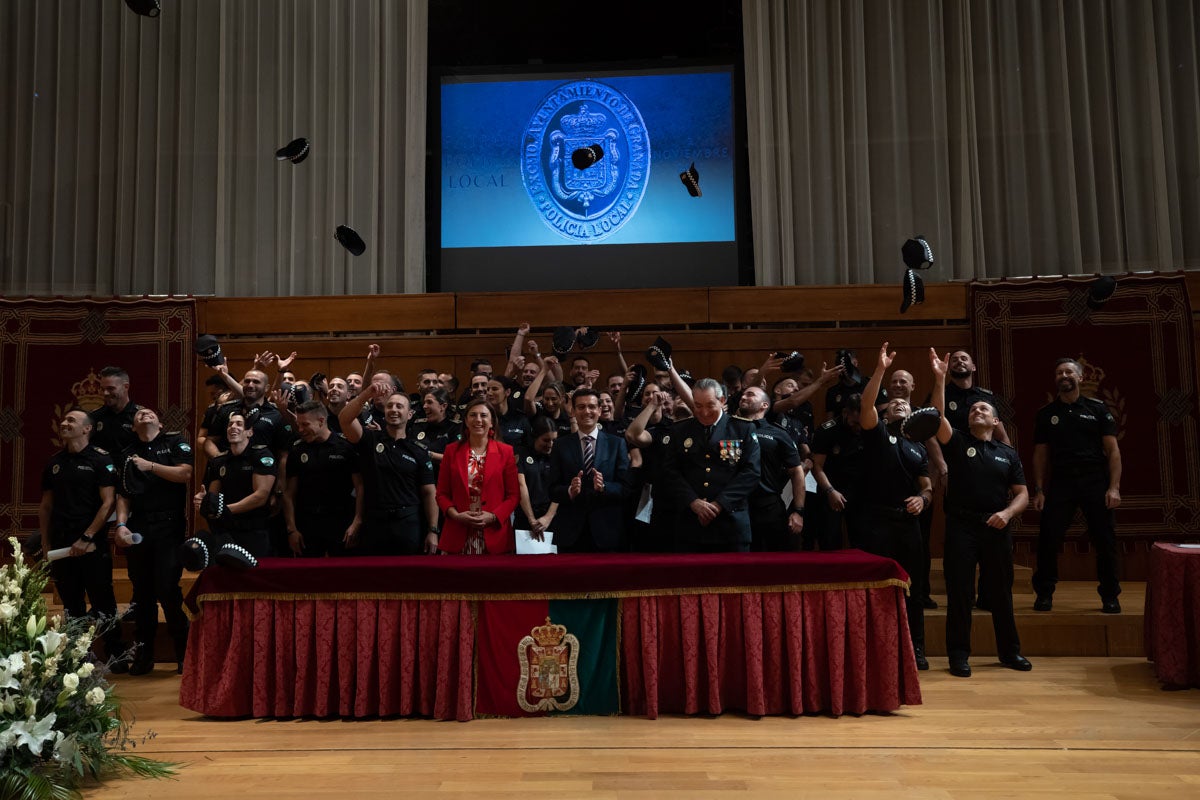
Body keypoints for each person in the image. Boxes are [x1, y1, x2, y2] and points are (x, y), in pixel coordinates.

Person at [930, 350, 1032, 677]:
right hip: (961, 525)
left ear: (995, 421)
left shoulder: (1008, 454)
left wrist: (1007, 513)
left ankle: (1009, 652)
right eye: (973, 408)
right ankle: (958, 655)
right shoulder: (957, 442)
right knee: (960, 593)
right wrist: (940, 378)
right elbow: (936, 416)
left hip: (996, 526)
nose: (977, 409)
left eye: (983, 408)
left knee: (1000, 593)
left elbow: (1023, 495)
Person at [1031, 358, 1123, 613]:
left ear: (1080, 378)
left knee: (1105, 540)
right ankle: (1045, 594)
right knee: (1049, 538)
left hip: (1094, 479)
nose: (1064, 375)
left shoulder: (1098, 409)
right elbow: (1040, 455)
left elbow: (1113, 451)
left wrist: (1113, 487)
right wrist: (1038, 489)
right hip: (1061, 481)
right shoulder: (1047, 414)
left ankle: (1110, 596)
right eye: (1059, 372)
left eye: (1069, 371)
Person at [860, 343, 931, 670]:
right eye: (894, 404)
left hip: (907, 524)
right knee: (876, 588)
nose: (900, 404)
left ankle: (916, 648)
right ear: (886, 412)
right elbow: (866, 402)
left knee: (913, 589)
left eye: (905, 402)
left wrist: (923, 498)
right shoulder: (875, 433)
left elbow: (927, 487)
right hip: (877, 522)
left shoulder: (917, 446)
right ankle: (875, 649)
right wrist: (881, 370)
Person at [39, 409, 127, 670]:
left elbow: (109, 502)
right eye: (64, 420)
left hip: (91, 545)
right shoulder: (54, 462)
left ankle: (117, 655)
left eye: (71, 421)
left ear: (87, 429)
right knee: (71, 604)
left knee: (103, 603)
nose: (64, 423)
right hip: (61, 545)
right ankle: (78, 659)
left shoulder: (100, 460)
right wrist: (46, 544)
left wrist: (87, 537)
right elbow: (46, 506)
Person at [114, 407, 193, 675]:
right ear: (134, 427)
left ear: (159, 423)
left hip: (169, 525)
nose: (143, 415)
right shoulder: (127, 452)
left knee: (167, 588)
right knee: (142, 593)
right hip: (139, 525)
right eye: (138, 415)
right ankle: (144, 655)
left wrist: (150, 466)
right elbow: (123, 495)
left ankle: (184, 652)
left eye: (149, 413)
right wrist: (121, 525)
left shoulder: (174, 442)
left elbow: (184, 474)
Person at [340, 379, 438, 555]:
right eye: (390, 406)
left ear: (410, 414)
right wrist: (367, 394)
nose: (394, 409)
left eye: (400, 406)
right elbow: (345, 420)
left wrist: (432, 530)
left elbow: (429, 493)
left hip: (407, 522)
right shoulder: (370, 439)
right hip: (374, 523)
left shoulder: (418, 450)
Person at [662, 378, 761, 553]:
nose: (704, 412)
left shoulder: (742, 429)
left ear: (722, 401)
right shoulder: (680, 430)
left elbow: (750, 472)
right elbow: (670, 472)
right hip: (690, 525)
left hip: (731, 524)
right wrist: (693, 502)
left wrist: (719, 504)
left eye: (710, 405)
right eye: (698, 406)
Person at [549, 389, 631, 552]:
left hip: (607, 531)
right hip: (570, 533)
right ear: (573, 411)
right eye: (581, 407)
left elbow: (626, 489)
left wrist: (604, 487)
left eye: (592, 407)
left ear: (599, 410)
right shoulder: (560, 445)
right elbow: (551, 489)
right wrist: (569, 491)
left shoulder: (617, 444)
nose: (587, 411)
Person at [436, 399, 520, 554]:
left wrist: (494, 516)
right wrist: (456, 515)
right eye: (473, 415)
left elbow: (513, 496)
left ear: (492, 422)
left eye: (483, 415)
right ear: (466, 421)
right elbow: (441, 494)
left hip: (493, 531)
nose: (478, 420)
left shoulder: (506, 451)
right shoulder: (451, 451)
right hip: (458, 529)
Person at [284, 401, 363, 557]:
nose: (300, 430)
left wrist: (357, 521)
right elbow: (289, 493)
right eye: (298, 424)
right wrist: (291, 529)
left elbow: (360, 487)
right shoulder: (297, 450)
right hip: (307, 523)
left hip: (341, 522)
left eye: (305, 424)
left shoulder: (345, 447)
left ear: (321, 421)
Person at [196, 412, 277, 558]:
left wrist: (225, 509)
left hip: (254, 532)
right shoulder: (219, 461)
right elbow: (213, 496)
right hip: (226, 532)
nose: (233, 427)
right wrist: (205, 502)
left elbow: (260, 496)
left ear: (249, 432)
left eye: (239, 424)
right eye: (230, 424)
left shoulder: (261, 455)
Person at [736, 386, 805, 552]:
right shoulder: (728, 429)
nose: (744, 397)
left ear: (764, 405)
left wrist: (798, 511)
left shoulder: (778, 433)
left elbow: (796, 471)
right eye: (743, 394)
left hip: (768, 507)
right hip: (735, 508)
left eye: (750, 394)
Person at [809, 395, 868, 550]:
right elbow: (817, 466)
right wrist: (830, 491)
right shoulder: (827, 430)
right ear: (845, 413)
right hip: (831, 488)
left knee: (862, 540)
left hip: (860, 491)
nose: (859, 427)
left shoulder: (870, 426)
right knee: (830, 539)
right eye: (855, 423)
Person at [515, 415, 559, 537]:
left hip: (551, 519)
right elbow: (521, 485)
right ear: (535, 437)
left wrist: (548, 518)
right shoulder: (521, 454)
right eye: (545, 440)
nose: (550, 444)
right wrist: (531, 519)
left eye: (554, 440)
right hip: (525, 517)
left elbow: (561, 488)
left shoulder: (558, 456)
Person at [410, 387, 462, 480]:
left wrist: (428, 455)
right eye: (424, 402)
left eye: (429, 402)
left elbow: (456, 458)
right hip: (418, 478)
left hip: (443, 478)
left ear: (443, 406)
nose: (424, 406)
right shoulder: (418, 425)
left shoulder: (455, 428)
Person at [91, 366, 141, 455]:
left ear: (126, 387)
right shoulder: (94, 417)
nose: (105, 393)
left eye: (110, 388)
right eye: (103, 389)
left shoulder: (141, 416)